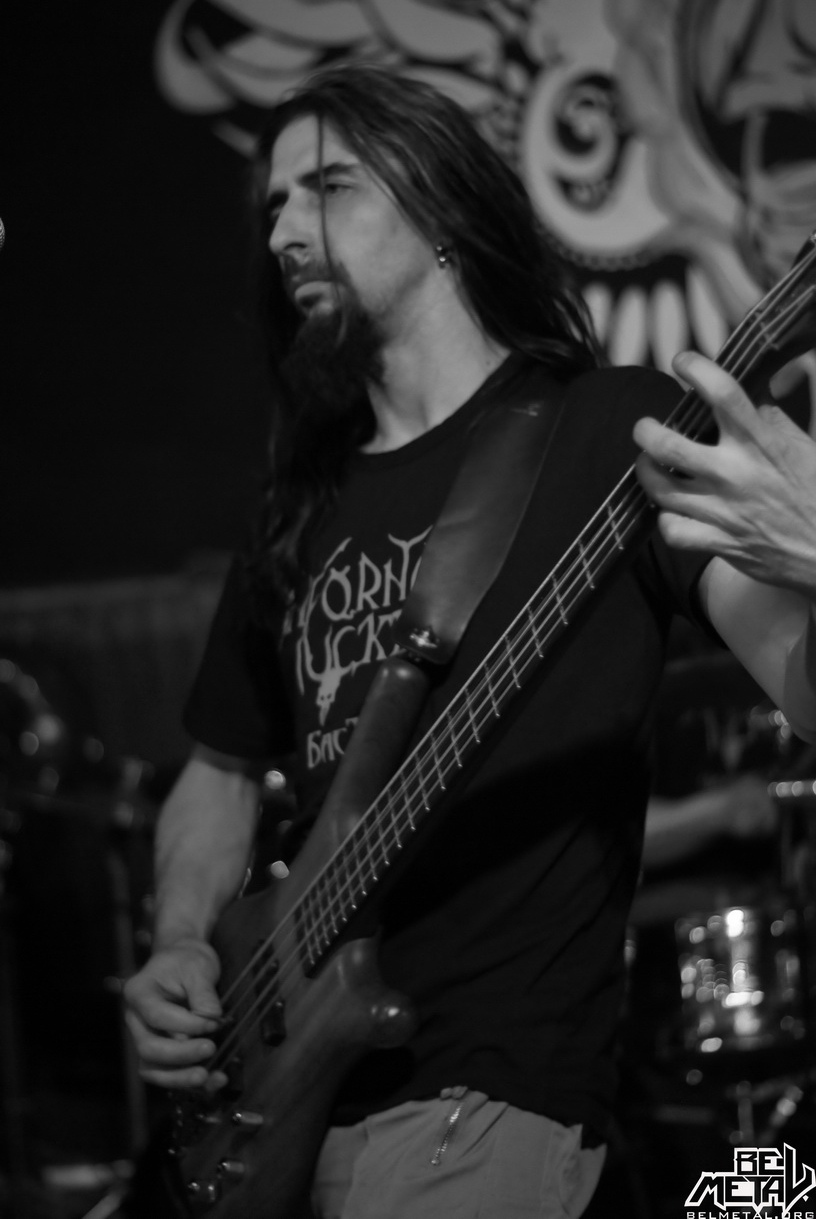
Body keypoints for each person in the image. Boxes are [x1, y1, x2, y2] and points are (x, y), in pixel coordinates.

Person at [123, 63, 816, 1219]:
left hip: (478, 1105)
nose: (284, 231)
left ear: (441, 203)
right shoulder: (299, 507)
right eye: (275, 203)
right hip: (265, 1102)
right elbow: (222, 766)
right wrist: (184, 940)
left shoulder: (610, 434)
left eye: (329, 187)